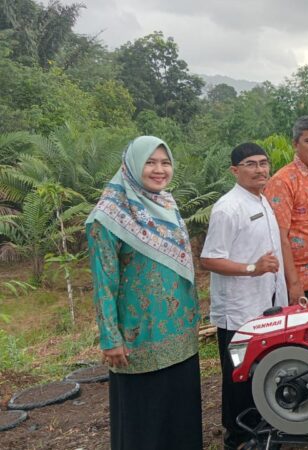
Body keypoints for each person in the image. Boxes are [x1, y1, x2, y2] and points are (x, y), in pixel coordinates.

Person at [86, 136, 202, 450]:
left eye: (165, 162)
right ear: (133, 165)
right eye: (150, 162)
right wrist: (111, 337)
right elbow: (104, 282)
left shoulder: (166, 203)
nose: (159, 170)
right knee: (145, 422)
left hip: (179, 332)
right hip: (139, 339)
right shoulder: (107, 217)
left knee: (180, 416)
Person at [200, 143, 287, 449]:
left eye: (264, 163)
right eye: (251, 164)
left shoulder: (262, 200)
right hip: (238, 312)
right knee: (238, 377)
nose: (260, 169)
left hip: (265, 307)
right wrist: (253, 268)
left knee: (260, 373)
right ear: (235, 170)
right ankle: (237, 437)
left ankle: (261, 432)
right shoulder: (228, 207)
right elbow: (209, 259)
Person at [265, 116, 308, 304]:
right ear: (295, 144)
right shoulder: (283, 181)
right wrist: (294, 284)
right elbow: (280, 237)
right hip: (296, 284)